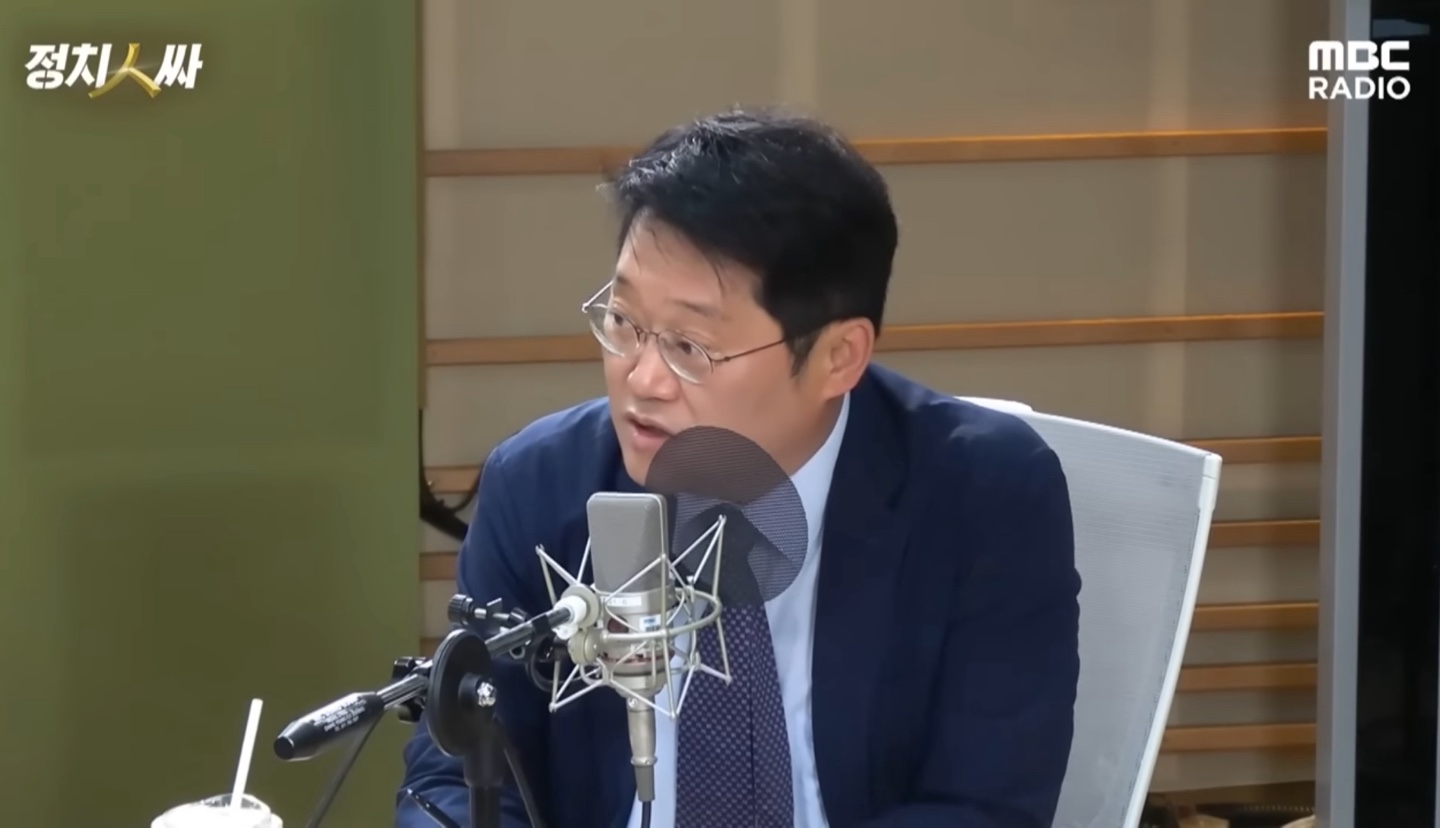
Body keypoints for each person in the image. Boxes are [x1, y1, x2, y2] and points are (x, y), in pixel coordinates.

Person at [396, 108, 1081, 828]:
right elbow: (454, 776)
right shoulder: (542, 484)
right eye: (624, 322)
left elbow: (984, 806)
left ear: (838, 357)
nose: (641, 379)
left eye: (690, 347)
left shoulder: (983, 495)